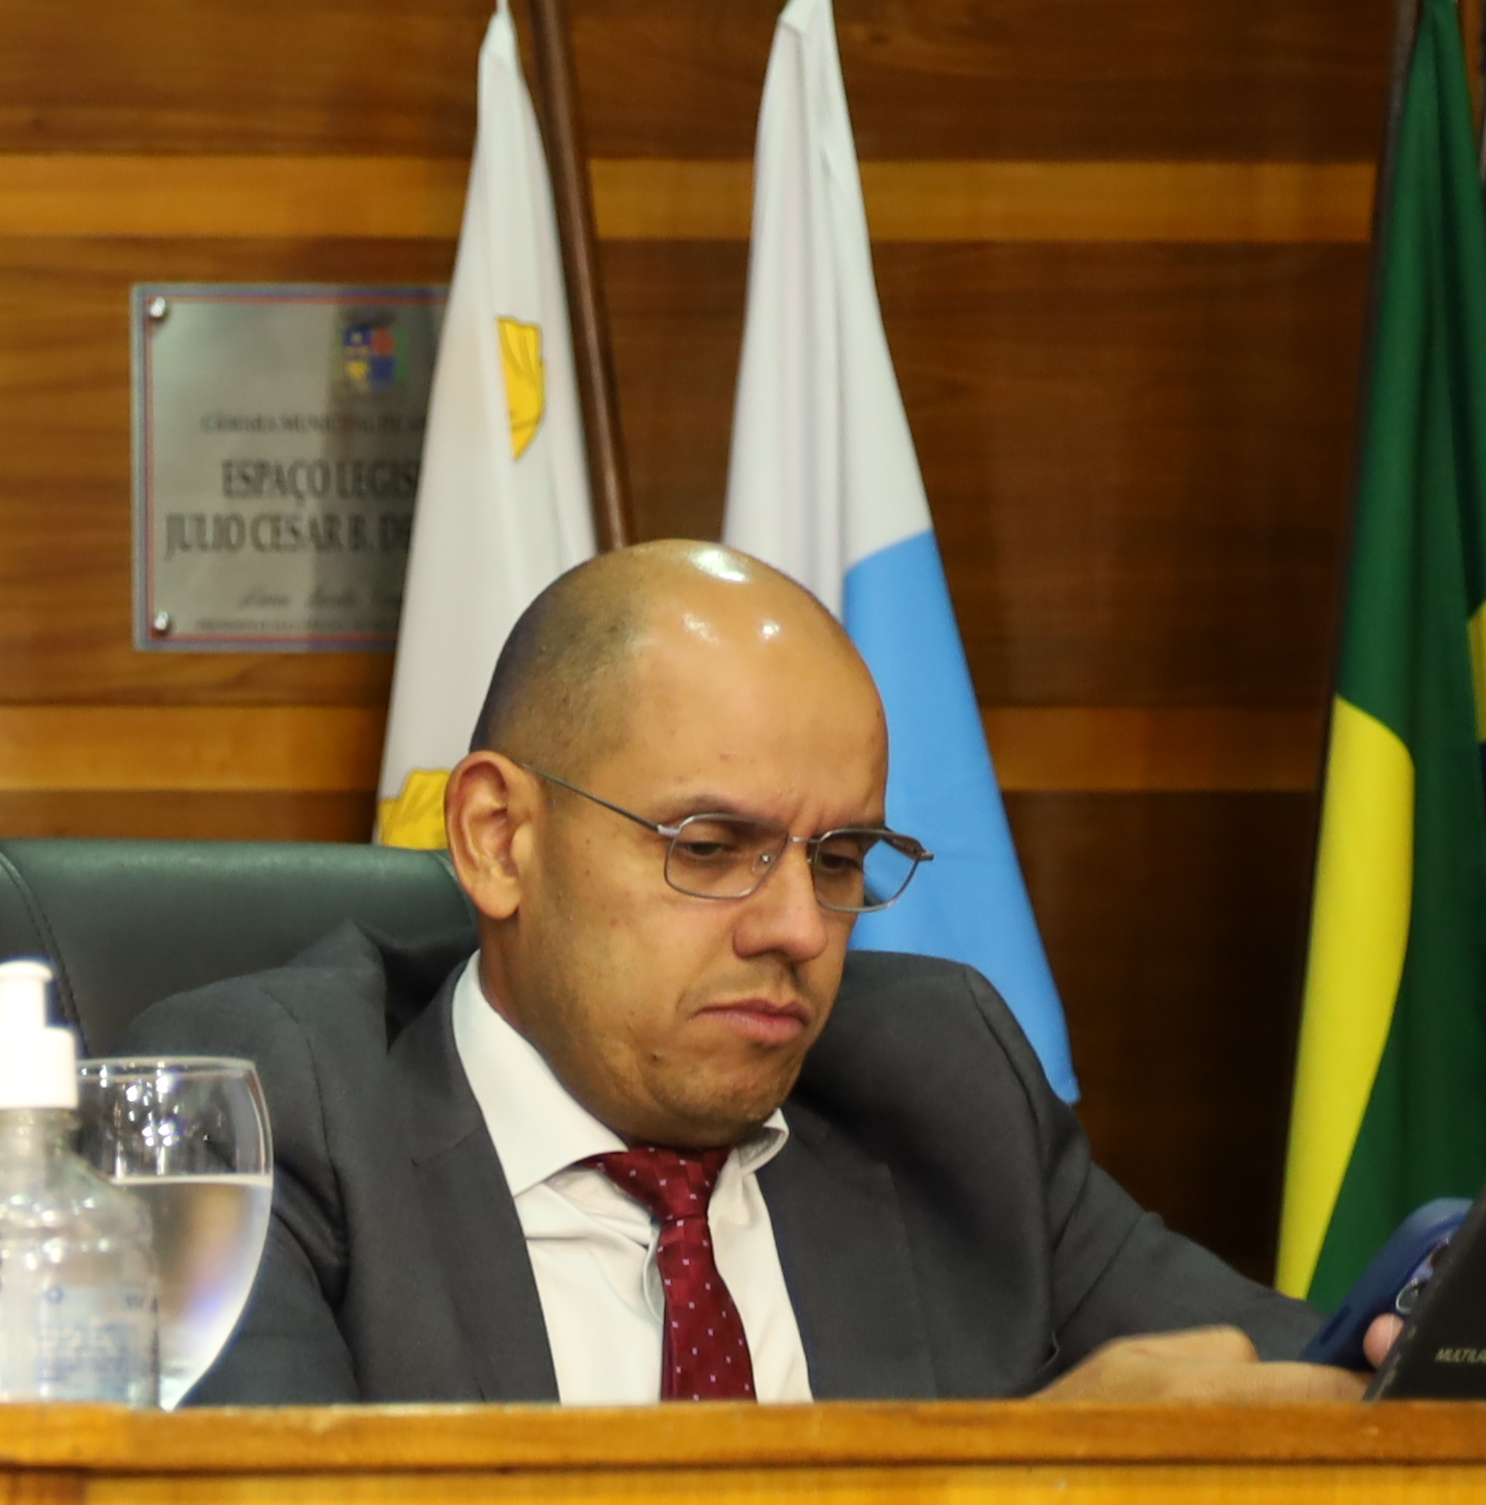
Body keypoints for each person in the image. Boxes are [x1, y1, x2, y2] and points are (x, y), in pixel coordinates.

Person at [128, 540, 1360, 1407]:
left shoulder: (941, 1086)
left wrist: (1420, 1348)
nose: (800, 929)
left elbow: (1312, 1383)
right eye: (710, 849)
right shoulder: (256, 1114)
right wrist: (1020, 1489)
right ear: (499, 841)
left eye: (840, 859)